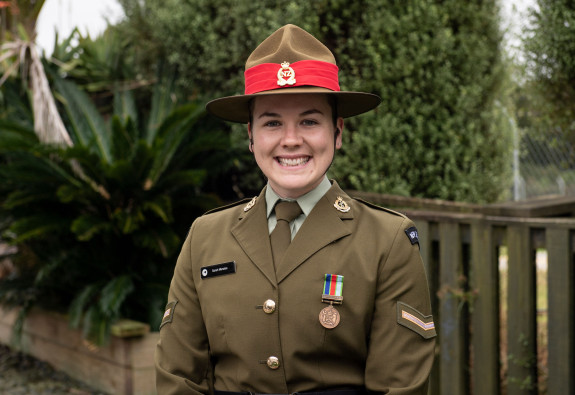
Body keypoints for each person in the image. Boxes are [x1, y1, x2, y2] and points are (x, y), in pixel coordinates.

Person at [155, 24, 436, 395]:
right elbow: (178, 378)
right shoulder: (205, 237)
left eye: (309, 121)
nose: (291, 140)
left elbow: (400, 386)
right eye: (272, 122)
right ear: (251, 137)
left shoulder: (387, 242)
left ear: (337, 133)